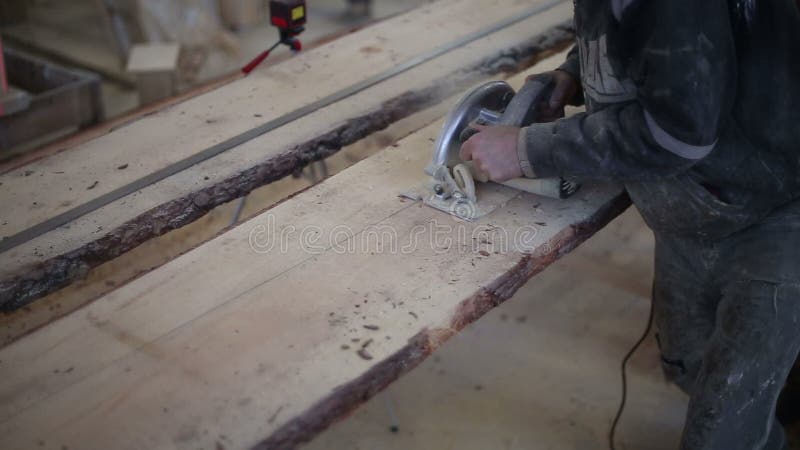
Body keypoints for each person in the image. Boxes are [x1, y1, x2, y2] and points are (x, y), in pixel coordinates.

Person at [460, 1, 800, 448]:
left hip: (776, 208)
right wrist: (574, 73)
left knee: (724, 423)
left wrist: (527, 149)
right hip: (696, 205)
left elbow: (679, 135)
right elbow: (638, 33)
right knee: (688, 363)